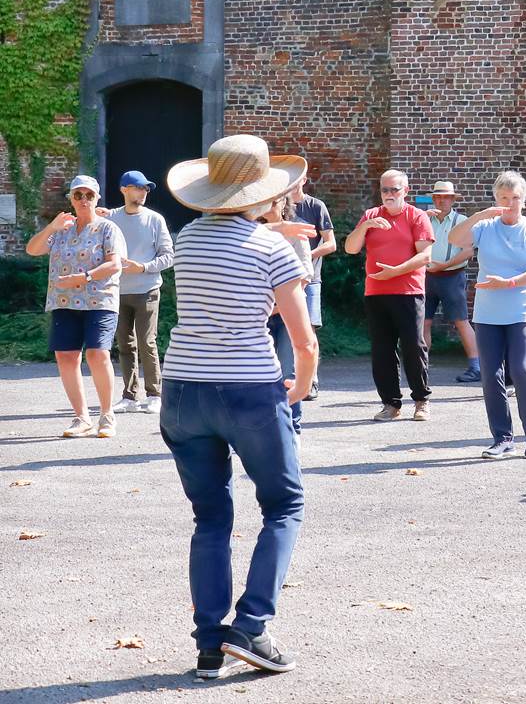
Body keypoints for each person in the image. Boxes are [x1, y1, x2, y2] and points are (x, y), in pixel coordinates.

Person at [161, 134, 318, 677]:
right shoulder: (273, 249)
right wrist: (300, 386)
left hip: (183, 386)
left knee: (210, 517)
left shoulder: (186, 238)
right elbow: (303, 339)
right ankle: (250, 627)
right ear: (264, 192)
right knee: (284, 505)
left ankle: (209, 645)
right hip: (248, 386)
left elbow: (224, 271)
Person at [448, 170, 526, 459]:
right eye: (504, 198)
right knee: (491, 374)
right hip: (488, 312)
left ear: (524, 200)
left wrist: (509, 282)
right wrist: (480, 215)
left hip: (522, 307)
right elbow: (454, 238)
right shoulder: (485, 226)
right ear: (496, 199)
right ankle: (503, 438)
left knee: (520, 368)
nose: (509, 203)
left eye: (515, 198)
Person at [26, 175, 126, 438]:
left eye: (89, 195)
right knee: (66, 356)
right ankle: (81, 418)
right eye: (78, 195)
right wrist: (51, 226)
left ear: (97, 198)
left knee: (97, 354)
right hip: (63, 301)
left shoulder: (107, 228)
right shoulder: (62, 229)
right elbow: (33, 249)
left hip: (99, 300)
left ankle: (107, 415)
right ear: (70, 199)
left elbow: (114, 264)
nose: (84, 200)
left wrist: (84, 278)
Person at [344, 169, 434, 422]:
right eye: (385, 189)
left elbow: (425, 256)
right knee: (382, 350)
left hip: (408, 291)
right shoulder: (371, 215)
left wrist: (396, 271)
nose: (389, 194)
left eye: (395, 189)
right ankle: (391, 404)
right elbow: (350, 248)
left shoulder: (416, 216)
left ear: (406, 191)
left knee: (413, 346)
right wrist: (365, 226)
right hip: (376, 292)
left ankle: (421, 400)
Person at [101, 170, 173, 415]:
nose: (143, 192)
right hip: (117, 291)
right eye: (138, 187)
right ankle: (130, 396)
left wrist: (142, 267)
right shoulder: (110, 218)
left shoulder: (155, 219)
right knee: (124, 344)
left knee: (147, 342)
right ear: (124, 189)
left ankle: (154, 395)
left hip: (147, 290)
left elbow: (169, 256)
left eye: (146, 188)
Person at [260, 189, 314, 435]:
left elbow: (304, 276)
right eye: (267, 200)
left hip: (286, 314)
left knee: (288, 371)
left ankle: (293, 426)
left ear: (285, 203)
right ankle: (263, 426)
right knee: (258, 372)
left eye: (276, 200)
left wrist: (279, 307)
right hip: (259, 314)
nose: (271, 204)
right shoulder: (253, 231)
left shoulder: (296, 231)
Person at [422, 180, 481, 383]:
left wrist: (444, 265)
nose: (442, 201)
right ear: (433, 199)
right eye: (438, 197)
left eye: (446, 197)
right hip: (427, 277)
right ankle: (421, 365)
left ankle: (476, 367)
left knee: (461, 321)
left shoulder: (461, 221)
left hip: (451, 276)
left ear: (453, 199)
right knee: (423, 321)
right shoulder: (424, 219)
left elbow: (468, 252)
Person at [288, 176, 336, 401]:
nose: (291, 183)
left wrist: (306, 254)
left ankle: (311, 381)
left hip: (310, 278)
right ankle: (287, 378)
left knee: (308, 330)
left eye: (295, 179)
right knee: (281, 329)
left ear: (304, 180)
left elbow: (331, 243)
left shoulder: (315, 206)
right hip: (281, 279)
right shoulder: (278, 205)